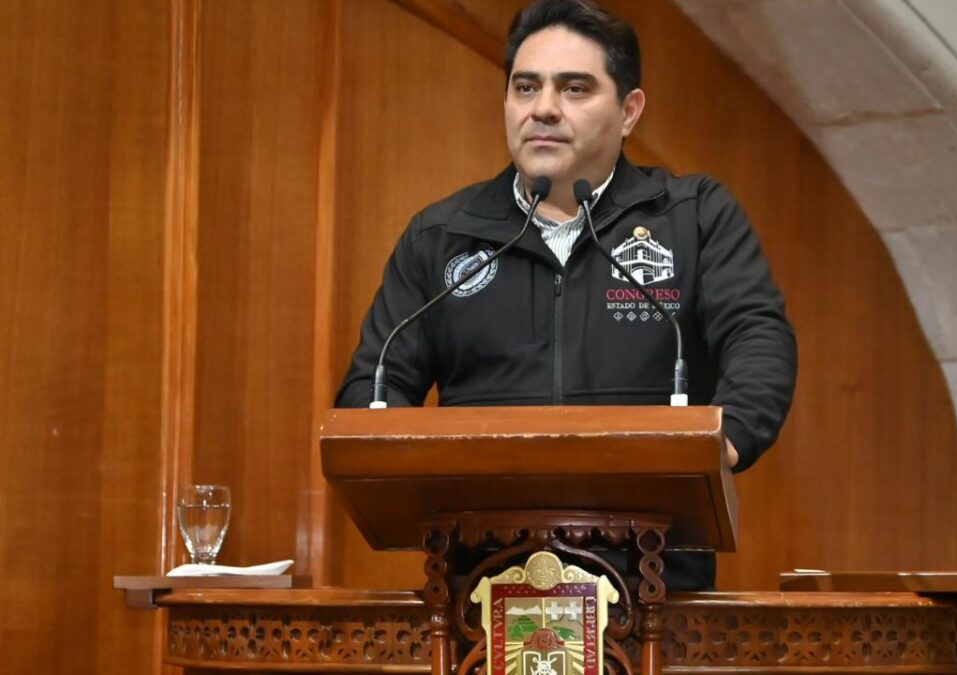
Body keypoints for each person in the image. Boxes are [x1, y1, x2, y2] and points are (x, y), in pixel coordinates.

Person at [336, 0, 797, 590]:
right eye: (526, 87)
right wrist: (401, 462)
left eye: (575, 88)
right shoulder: (442, 235)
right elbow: (372, 387)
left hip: (655, 587)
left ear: (629, 111)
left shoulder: (692, 217)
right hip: (478, 586)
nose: (544, 108)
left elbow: (758, 337)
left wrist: (724, 443)